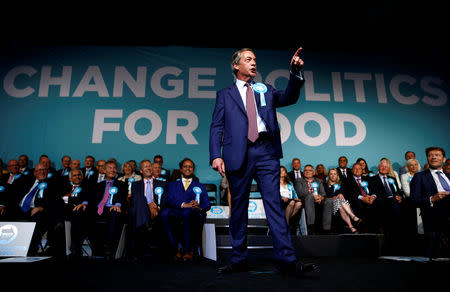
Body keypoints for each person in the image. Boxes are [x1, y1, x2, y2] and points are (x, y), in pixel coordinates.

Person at [210, 47, 318, 276]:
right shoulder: (224, 94)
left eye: (255, 59)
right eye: (248, 59)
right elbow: (217, 126)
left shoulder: (265, 89)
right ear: (236, 66)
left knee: (275, 206)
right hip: (237, 155)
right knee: (238, 209)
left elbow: (289, 97)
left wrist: (294, 73)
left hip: (266, 152)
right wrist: (216, 155)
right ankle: (238, 259)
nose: (253, 63)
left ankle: (287, 261)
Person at [160, 158, 210, 261]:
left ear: (193, 169)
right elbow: (168, 200)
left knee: (188, 213)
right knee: (164, 213)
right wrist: (183, 204)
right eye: (185, 166)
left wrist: (199, 206)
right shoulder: (172, 184)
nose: (188, 168)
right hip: (177, 210)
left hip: (192, 213)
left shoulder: (200, 186)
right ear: (181, 169)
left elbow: (207, 204)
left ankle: (188, 250)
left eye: (190, 166)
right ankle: (176, 248)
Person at [410, 147, 450, 258]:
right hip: (433, 216)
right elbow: (413, 200)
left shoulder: (449, 176)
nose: (433, 157)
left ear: (443, 159)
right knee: (434, 252)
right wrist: (432, 199)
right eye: (430, 155)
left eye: (437, 155)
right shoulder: (420, 177)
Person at [128, 159, 168, 262]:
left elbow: (165, 200)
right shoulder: (136, 184)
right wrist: (149, 206)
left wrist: (157, 207)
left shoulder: (161, 183)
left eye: (150, 166)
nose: (148, 168)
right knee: (139, 198)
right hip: (142, 210)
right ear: (141, 171)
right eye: (145, 166)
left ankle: (144, 228)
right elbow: (134, 201)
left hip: (157, 209)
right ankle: (146, 226)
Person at [90, 160, 128, 261]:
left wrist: (117, 204)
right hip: (99, 209)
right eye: (110, 168)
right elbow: (93, 200)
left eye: (114, 168)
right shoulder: (98, 185)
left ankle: (109, 249)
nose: (112, 170)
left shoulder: (122, 184)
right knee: (85, 214)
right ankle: (95, 248)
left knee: (114, 213)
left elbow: (123, 198)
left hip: (112, 208)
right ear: (104, 170)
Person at [371, 159, 406, 253]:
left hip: (393, 201)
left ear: (388, 169)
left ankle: (400, 236)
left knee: (401, 201)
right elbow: (373, 192)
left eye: (386, 167)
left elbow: (398, 191)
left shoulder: (392, 179)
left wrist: (400, 197)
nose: (383, 168)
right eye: (382, 166)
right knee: (391, 203)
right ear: (378, 168)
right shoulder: (373, 179)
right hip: (382, 201)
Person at [59, 168, 91, 260]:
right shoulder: (64, 187)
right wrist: (71, 201)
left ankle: (75, 249)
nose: (77, 177)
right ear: (70, 179)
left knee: (77, 214)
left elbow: (84, 200)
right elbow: (58, 199)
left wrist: (67, 199)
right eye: (74, 175)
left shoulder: (87, 186)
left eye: (79, 175)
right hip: (64, 211)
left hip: (79, 213)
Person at [343, 163, 382, 233]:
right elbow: (349, 193)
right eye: (355, 168)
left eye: (359, 168)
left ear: (362, 170)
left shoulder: (368, 179)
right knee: (358, 202)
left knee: (379, 201)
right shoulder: (347, 180)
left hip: (370, 198)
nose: (357, 170)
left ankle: (377, 228)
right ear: (352, 171)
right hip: (357, 199)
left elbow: (374, 189)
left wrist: (373, 197)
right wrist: (362, 198)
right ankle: (362, 227)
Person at [294, 164, 331, 234]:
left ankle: (327, 228)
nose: (308, 172)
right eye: (306, 170)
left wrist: (320, 197)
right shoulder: (298, 181)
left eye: (310, 170)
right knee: (310, 197)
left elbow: (323, 193)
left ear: (313, 172)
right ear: (303, 172)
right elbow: (300, 193)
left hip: (318, 200)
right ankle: (311, 226)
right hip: (306, 200)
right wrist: (314, 196)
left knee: (328, 201)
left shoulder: (319, 181)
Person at [324, 168, 361, 234]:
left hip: (340, 204)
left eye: (334, 174)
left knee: (340, 205)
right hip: (330, 205)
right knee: (339, 202)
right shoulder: (325, 185)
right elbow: (326, 196)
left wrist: (340, 194)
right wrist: (334, 197)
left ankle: (351, 227)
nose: (333, 176)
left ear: (337, 175)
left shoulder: (341, 184)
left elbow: (343, 194)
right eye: (331, 174)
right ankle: (353, 217)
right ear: (328, 175)